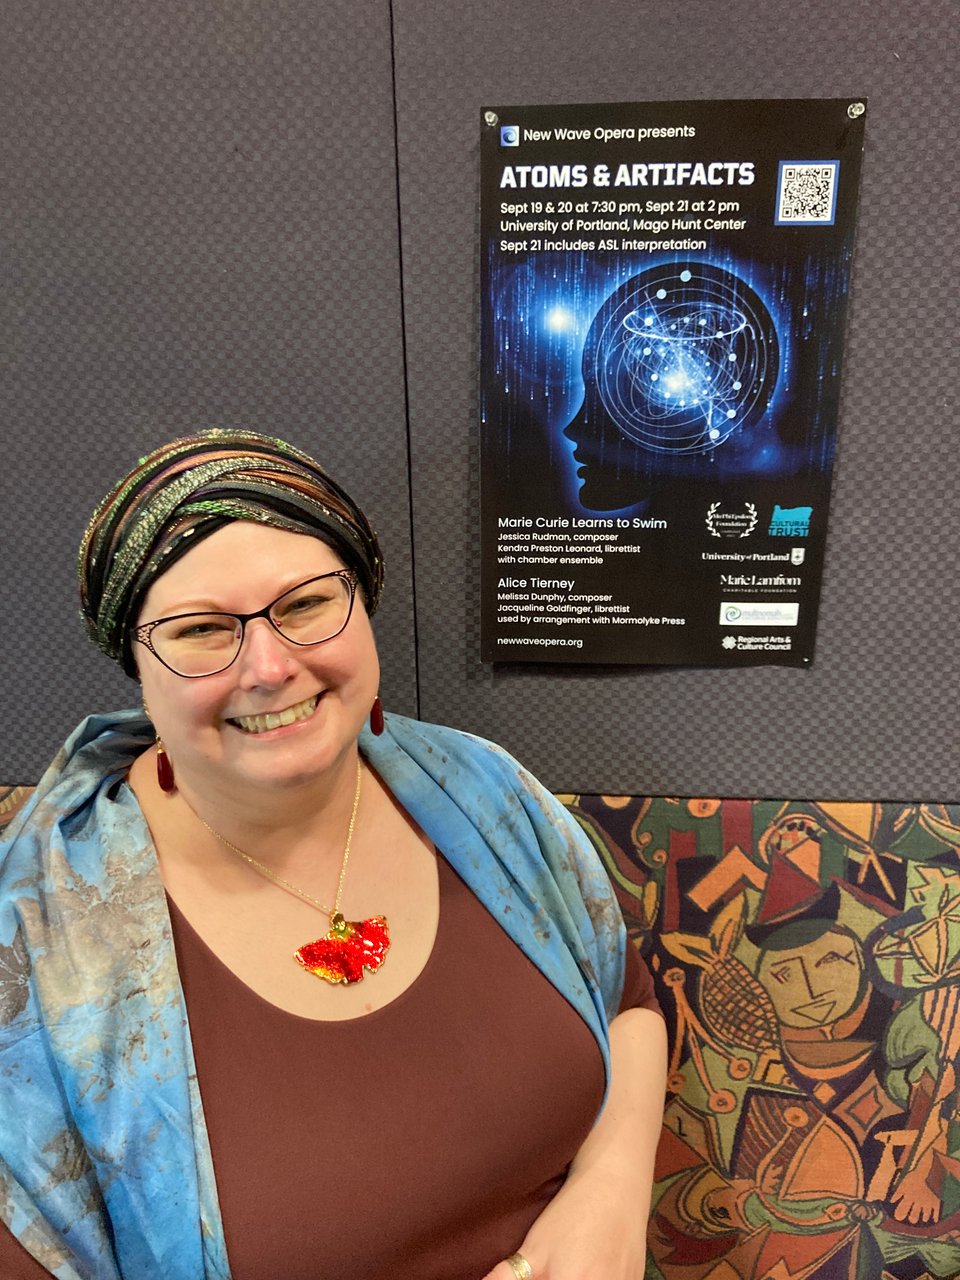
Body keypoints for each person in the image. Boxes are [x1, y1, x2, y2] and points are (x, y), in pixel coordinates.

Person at [0, 429, 667, 1280]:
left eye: (307, 604)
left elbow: (627, 1000)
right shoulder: (39, 952)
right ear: (136, 662)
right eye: (203, 629)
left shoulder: (484, 791)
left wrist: (610, 1187)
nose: (271, 665)